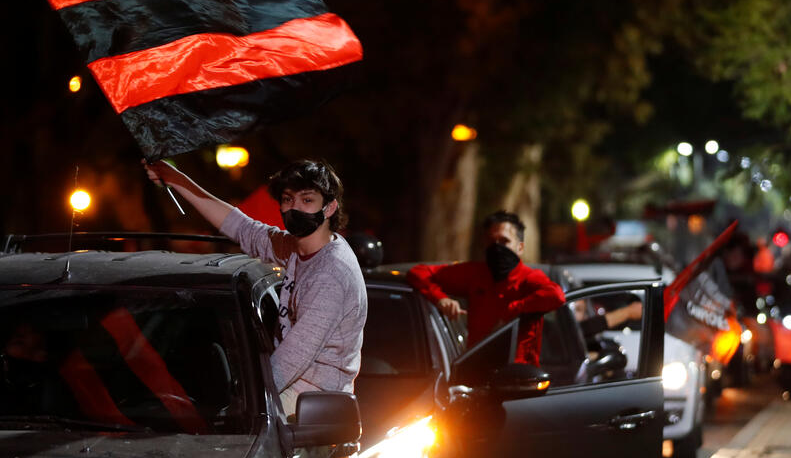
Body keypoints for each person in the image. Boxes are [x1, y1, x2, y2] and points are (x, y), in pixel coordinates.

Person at [144, 158, 367, 419]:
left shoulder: (331, 274)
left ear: (329, 208)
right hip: (291, 382)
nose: (294, 208)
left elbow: (289, 362)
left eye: (307, 200)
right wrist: (175, 179)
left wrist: (241, 399)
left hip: (315, 399)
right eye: (287, 199)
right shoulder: (297, 248)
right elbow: (242, 228)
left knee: (233, 429)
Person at [406, 210, 565, 366]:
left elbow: (556, 296)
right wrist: (441, 299)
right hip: (476, 371)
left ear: (520, 247)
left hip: (517, 378)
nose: (497, 247)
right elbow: (418, 273)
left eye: (504, 241)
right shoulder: (475, 274)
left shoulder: (529, 278)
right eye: (491, 241)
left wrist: (514, 310)